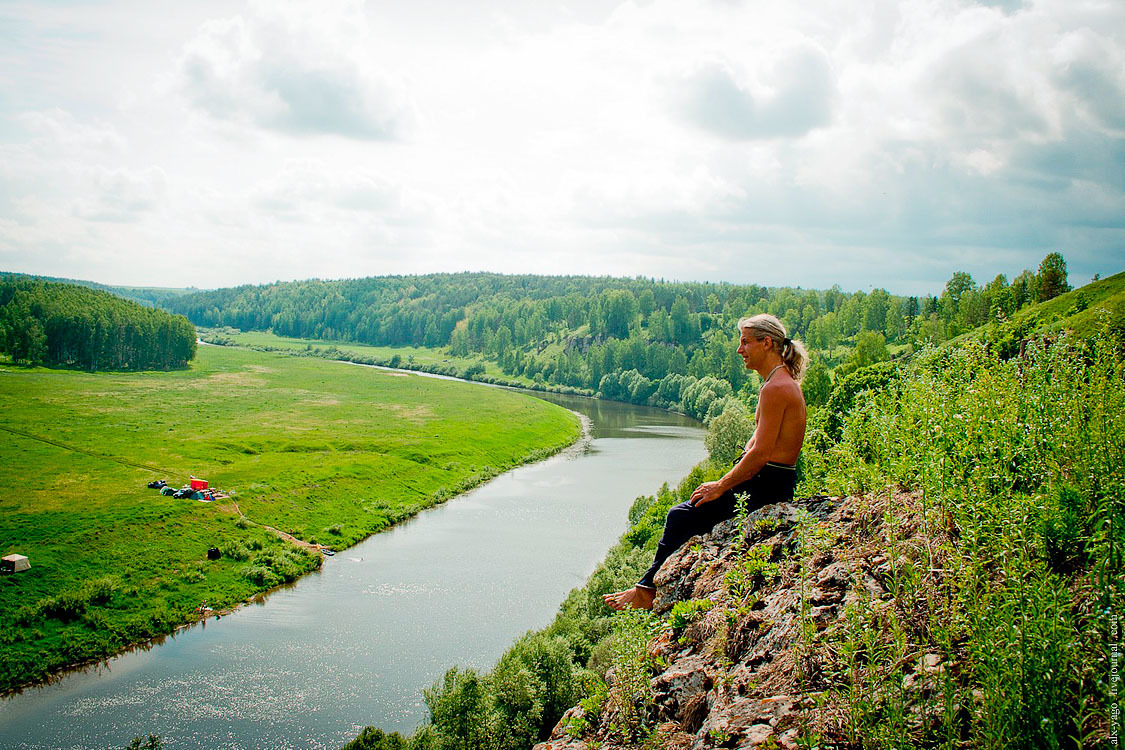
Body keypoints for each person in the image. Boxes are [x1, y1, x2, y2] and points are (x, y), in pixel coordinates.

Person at [604, 313, 808, 610]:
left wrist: (720, 486)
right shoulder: (779, 382)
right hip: (770, 481)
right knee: (690, 509)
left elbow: (761, 453)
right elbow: (757, 444)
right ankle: (652, 584)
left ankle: (647, 590)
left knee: (680, 516)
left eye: (745, 342)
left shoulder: (776, 388)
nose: (740, 350)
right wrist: (723, 483)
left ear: (767, 343)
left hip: (767, 486)